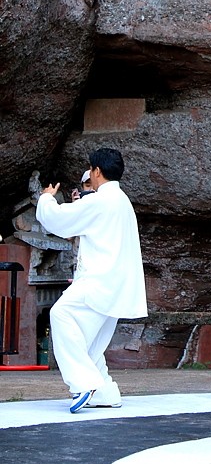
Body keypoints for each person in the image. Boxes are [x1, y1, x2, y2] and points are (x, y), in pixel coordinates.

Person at [36, 148, 147, 413]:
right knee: (89, 343)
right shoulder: (122, 201)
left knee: (61, 314)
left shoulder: (100, 201)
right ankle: (105, 391)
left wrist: (46, 199)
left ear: (96, 171)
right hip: (117, 285)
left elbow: (59, 221)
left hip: (100, 281)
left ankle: (83, 384)